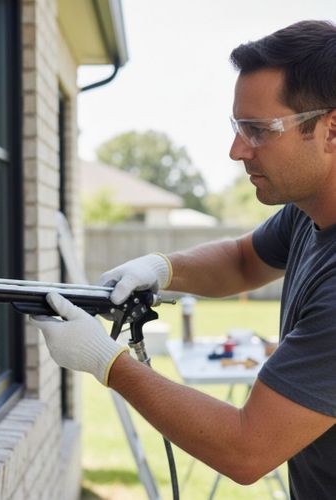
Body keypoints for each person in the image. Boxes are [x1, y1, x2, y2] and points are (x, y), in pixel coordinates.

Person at [30, 20, 336, 498]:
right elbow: (241, 260)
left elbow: (246, 448)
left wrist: (107, 362)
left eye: (257, 131)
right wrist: (160, 267)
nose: (236, 150)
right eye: (237, 128)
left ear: (330, 130)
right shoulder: (307, 212)